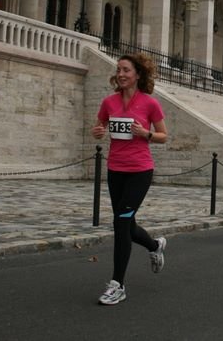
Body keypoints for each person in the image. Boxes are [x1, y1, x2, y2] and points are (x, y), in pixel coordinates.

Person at [91, 53, 169, 305]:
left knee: (121, 223)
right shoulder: (109, 102)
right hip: (116, 170)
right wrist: (98, 132)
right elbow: (98, 128)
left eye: (126, 70)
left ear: (137, 74)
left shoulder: (150, 103)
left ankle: (117, 285)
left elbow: (163, 136)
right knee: (125, 222)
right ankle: (155, 245)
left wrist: (145, 133)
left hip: (140, 171)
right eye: (119, 69)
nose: (121, 74)